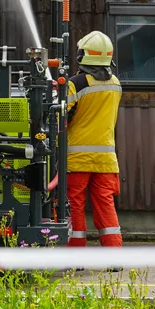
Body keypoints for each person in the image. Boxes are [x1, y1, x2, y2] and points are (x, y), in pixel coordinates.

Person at [64, 30, 122, 247]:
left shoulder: (75, 84)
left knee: (74, 205)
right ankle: (113, 255)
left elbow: (61, 118)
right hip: (106, 161)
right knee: (105, 204)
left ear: (83, 55)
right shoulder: (116, 84)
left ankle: (76, 255)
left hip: (77, 159)